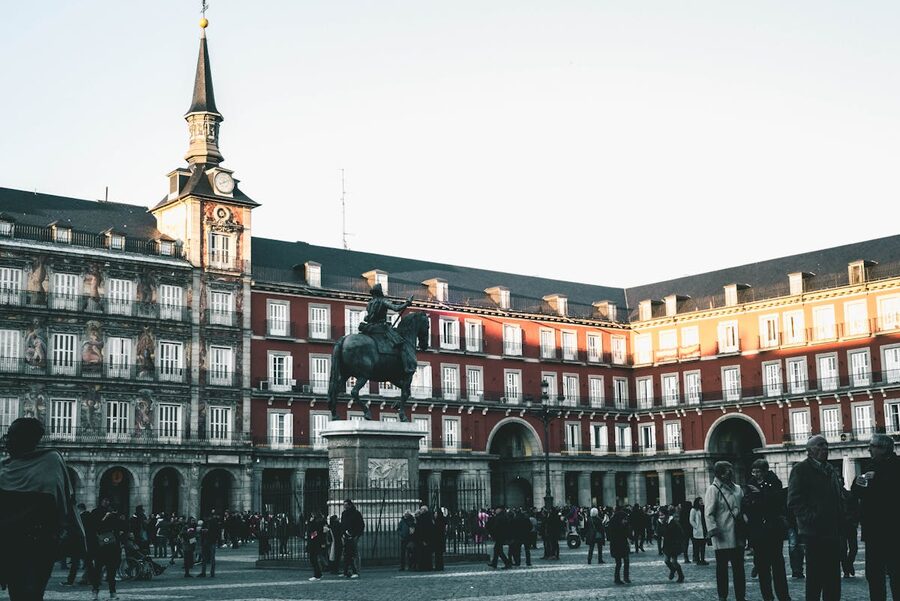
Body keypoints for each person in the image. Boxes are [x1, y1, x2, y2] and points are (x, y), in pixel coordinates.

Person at [0, 417, 83, 601]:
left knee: (30, 594)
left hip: (37, 544)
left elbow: (55, 503)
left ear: (26, 439)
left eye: (11, 436)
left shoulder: (49, 462)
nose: (6, 440)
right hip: (9, 544)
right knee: (17, 594)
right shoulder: (4, 465)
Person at [787, 435, 844, 601]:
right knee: (815, 578)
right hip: (814, 532)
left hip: (833, 530)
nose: (825, 448)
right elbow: (794, 501)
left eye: (826, 445)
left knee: (833, 578)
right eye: (820, 446)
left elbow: (838, 496)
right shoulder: (801, 470)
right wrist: (811, 518)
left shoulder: (830, 469)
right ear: (810, 451)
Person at [850, 433, 900, 601]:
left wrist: (876, 480)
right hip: (873, 530)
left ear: (883, 448)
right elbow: (856, 491)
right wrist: (859, 482)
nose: (869, 449)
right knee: (874, 574)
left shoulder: (897, 466)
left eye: (872, 446)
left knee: (896, 572)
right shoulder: (869, 465)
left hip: (894, 529)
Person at [743, 458, 790, 601]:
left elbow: (777, 502)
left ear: (765, 471)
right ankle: (767, 597)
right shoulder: (750, 484)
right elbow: (746, 504)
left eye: (758, 471)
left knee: (777, 565)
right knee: (762, 566)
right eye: (754, 471)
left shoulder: (775, 482)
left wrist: (759, 495)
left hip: (773, 529)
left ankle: (783, 595)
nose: (756, 474)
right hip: (757, 530)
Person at [705, 460, 746, 601]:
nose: (731, 472)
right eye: (728, 470)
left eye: (731, 469)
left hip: (738, 533)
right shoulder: (713, 489)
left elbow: (743, 508)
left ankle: (741, 596)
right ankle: (722, 596)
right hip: (722, 535)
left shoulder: (738, 489)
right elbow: (708, 513)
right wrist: (713, 530)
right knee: (722, 569)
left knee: (739, 569)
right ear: (720, 473)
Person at [358, 284, 416, 374]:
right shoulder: (384, 301)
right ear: (380, 293)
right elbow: (396, 308)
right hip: (381, 328)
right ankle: (406, 367)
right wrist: (407, 303)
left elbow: (368, 317)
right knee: (402, 343)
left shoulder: (370, 303)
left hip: (369, 327)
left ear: (373, 293)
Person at [340, 499, 365, 578]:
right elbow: (343, 524)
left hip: (354, 536)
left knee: (355, 554)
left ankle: (357, 571)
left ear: (350, 505)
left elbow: (361, 525)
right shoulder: (344, 514)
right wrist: (343, 533)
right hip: (346, 536)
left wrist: (355, 534)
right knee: (347, 554)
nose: (344, 506)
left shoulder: (356, 513)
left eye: (346, 505)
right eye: (344, 505)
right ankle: (346, 571)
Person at [661, 506, 685, 583]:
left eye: (662, 515)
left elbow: (680, 533)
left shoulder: (673, 522)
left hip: (674, 544)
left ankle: (681, 575)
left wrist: (679, 542)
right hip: (667, 544)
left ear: (666, 515)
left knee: (674, 561)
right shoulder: (662, 522)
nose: (661, 517)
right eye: (660, 515)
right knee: (666, 561)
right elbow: (661, 533)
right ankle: (673, 569)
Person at [607, 507, 631, 584]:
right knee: (622, 562)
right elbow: (625, 534)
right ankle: (622, 578)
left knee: (621, 563)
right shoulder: (619, 526)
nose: (625, 520)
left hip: (617, 546)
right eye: (624, 519)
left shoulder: (613, 522)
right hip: (620, 546)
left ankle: (621, 578)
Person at [306, 512, 327, 581]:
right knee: (316, 558)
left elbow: (314, 533)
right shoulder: (320, 523)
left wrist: (310, 523)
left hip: (314, 543)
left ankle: (317, 574)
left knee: (313, 559)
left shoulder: (316, 524)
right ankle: (319, 573)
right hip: (316, 543)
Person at [689, 497, 708, 565]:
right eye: (700, 501)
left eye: (702, 500)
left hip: (704, 529)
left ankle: (702, 559)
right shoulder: (693, 510)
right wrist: (696, 526)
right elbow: (691, 520)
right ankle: (697, 559)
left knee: (703, 546)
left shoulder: (703, 509)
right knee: (697, 546)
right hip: (698, 530)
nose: (702, 502)